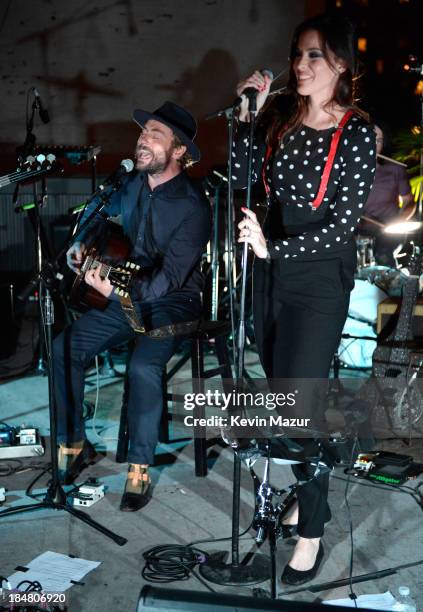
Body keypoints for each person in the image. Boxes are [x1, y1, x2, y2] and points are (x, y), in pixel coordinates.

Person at [232, 13, 376, 585]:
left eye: (314, 55)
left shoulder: (358, 132)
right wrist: (246, 112)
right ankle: (308, 487)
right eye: (298, 54)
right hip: (270, 271)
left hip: (317, 278)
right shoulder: (281, 119)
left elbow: (343, 226)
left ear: (340, 64)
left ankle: (310, 530)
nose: (300, 64)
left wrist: (275, 248)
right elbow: (243, 177)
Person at [54, 102, 211, 512]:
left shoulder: (194, 206)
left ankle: (139, 466)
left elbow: (166, 281)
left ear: (179, 151)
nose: (142, 139)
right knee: (63, 348)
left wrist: (111, 292)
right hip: (124, 288)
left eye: (154, 134)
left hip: (174, 302)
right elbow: (100, 215)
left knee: (143, 365)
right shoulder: (133, 185)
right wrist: (81, 243)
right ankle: (73, 443)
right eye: (143, 133)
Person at [358, 122, 415, 267]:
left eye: (378, 140)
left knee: (383, 255)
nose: (374, 144)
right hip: (359, 230)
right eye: (369, 138)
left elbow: (409, 202)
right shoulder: (348, 173)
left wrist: (400, 220)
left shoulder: (395, 169)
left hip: (388, 230)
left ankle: (390, 285)